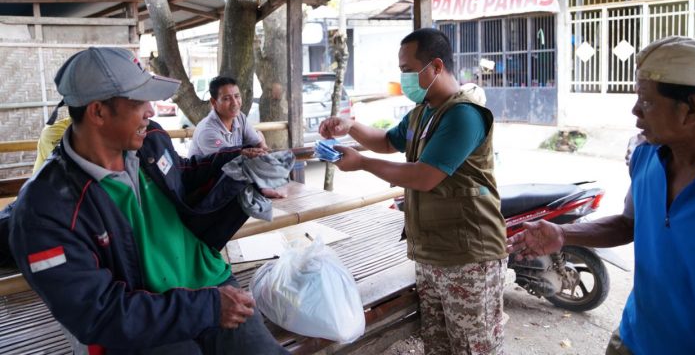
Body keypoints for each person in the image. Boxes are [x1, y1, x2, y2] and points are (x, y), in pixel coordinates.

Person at [9, 47, 289, 354]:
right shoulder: (45, 209)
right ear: (98, 112)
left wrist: (242, 166)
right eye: (139, 101)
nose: (151, 112)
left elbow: (183, 174)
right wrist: (206, 308)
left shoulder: (149, 140)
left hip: (212, 283)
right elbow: (98, 312)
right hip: (147, 317)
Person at [507, 36, 695, 355]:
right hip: (633, 339)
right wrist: (563, 234)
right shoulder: (647, 157)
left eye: (647, 102)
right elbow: (628, 224)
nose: (636, 111)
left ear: (692, 109)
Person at [319, 28, 507, 355]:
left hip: (468, 257)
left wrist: (362, 163)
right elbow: (387, 141)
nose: (403, 78)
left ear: (435, 67)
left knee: (474, 348)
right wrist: (349, 126)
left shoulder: (463, 115)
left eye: (408, 70)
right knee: (439, 345)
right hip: (431, 253)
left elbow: (423, 177)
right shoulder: (424, 112)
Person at [189, 76, 268, 157]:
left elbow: (257, 142)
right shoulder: (206, 131)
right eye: (226, 98)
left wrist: (263, 149)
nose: (234, 103)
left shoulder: (240, 118)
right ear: (214, 102)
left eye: (237, 96)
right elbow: (227, 159)